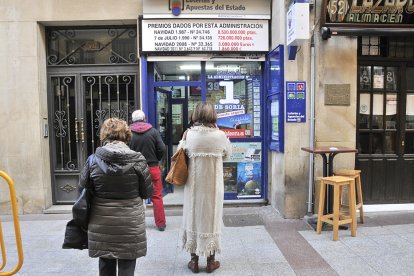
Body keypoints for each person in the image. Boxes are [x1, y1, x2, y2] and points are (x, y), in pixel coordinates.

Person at [78, 118, 153, 276]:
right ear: (126, 135)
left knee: (106, 263)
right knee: (127, 264)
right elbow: (147, 193)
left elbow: (83, 188)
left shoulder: (93, 160)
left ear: (104, 135)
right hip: (130, 222)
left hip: (102, 221)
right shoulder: (138, 160)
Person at [179, 102, 232, 273]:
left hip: (193, 186)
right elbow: (227, 155)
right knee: (212, 217)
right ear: (212, 116)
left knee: (192, 216)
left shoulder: (188, 135)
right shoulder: (220, 135)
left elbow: (181, 154)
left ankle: (193, 261)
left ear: (195, 115)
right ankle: (211, 261)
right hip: (213, 186)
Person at [129, 110, 167, 231]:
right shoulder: (153, 132)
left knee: (135, 196)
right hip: (152, 167)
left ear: (132, 120)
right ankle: (161, 224)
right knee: (157, 196)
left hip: (134, 168)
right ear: (144, 118)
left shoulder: (128, 133)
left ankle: (135, 224)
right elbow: (162, 149)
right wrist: (156, 159)